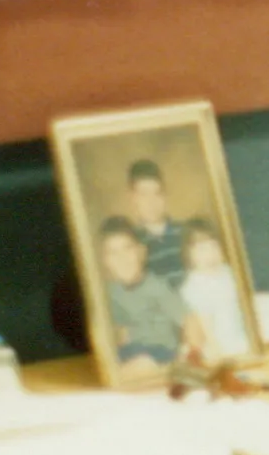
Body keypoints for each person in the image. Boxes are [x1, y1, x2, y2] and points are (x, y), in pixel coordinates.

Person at [98, 216, 202, 379]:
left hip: (159, 353)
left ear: (141, 252)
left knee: (142, 364)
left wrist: (192, 352)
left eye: (127, 249)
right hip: (126, 352)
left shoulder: (157, 287)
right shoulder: (110, 292)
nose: (122, 258)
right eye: (113, 253)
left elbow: (189, 319)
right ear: (105, 261)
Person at [179, 218, 251, 364]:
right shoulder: (193, 286)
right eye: (202, 249)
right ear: (189, 254)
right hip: (215, 345)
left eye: (214, 247)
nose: (210, 254)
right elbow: (205, 322)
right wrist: (216, 349)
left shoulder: (228, 273)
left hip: (238, 336)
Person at [124, 159, 185, 285]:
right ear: (133, 198)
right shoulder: (132, 244)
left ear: (165, 195)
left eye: (157, 193)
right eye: (144, 194)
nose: (151, 202)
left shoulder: (185, 232)